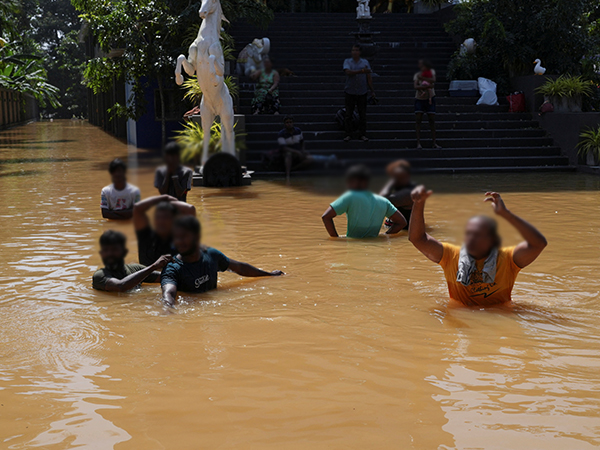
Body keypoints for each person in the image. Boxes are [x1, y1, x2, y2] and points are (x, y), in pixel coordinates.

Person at [408, 187, 548, 307]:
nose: (472, 239)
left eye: (478, 235)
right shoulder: (451, 256)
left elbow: (538, 244)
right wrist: (419, 204)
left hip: (499, 320)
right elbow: (417, 239)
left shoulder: (508, 259)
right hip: (461, 324)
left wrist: (507, 214)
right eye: (469, 234)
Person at [160, 216, 284, 306]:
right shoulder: (172, 268)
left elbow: (239, 268)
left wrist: (269, 275)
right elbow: (169, 294)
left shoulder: (211, 255)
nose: (179, 242)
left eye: (184, 238)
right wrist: (168, 311)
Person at [321, 165, 407, 238]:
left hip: (354, 248)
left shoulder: (350, 196)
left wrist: (336, 239)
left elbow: (326, 216)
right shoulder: (384, 201)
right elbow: (402, 223)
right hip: (376, 248)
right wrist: (385, 236)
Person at [92, 230, 171, 292]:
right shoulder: (99, 275)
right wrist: (153, 266)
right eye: (106, 250)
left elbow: (166, 277)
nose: (110, 254)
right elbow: (121, 287)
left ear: (124, 252)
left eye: (114, 250)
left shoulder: (136, 269)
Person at [133, 194, 197, 267]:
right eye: (158, 217)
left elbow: (190, 209)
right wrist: (163, 198)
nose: (161, 221)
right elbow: (137, 208)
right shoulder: (145, 236)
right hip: (148, 277)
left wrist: (170, 201)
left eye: (165, 217)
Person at [343, 44, 375, 142]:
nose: (354, 52)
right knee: (348, 114)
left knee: (362, 114)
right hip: (350, 91)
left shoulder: (365, 62)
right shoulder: (347, 61)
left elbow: (368, 76)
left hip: (362, 91)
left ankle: (362, 134)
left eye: (356, 50)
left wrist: (372, 90)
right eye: (353, 50)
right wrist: (361, 71)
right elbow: (348, 72)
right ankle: (348, 134)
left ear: (360, 52)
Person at [380, 159, 415, 229]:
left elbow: (381, 200)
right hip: (395, 231)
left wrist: (391, 182)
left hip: (404, 233)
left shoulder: (409, 192)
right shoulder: (397, 188)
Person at [413, 59, 441, 149]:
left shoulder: (431, 72)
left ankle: (434, 142)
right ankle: (418, 143)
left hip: (430, 97)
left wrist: (423, 80)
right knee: (418, 119)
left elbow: (433, 81)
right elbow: (416, 86)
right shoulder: (417, 74)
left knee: (432, 120)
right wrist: (425, 86)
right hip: (419, 98)